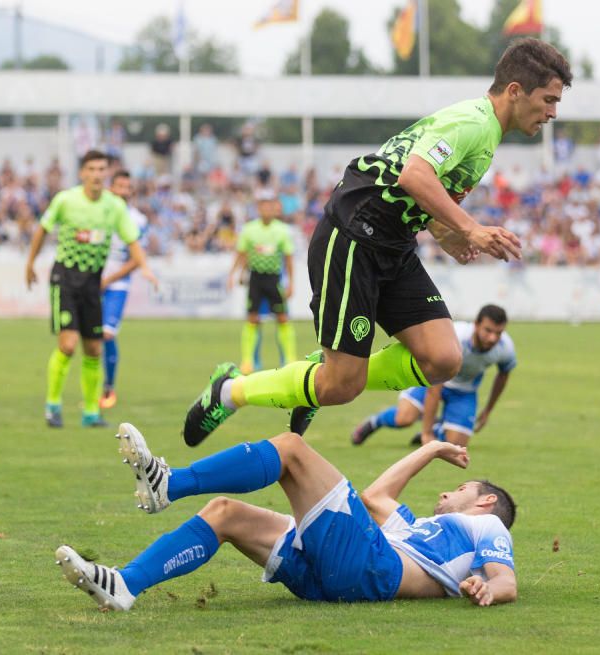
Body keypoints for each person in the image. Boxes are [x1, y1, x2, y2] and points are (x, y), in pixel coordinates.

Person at [182, 38, 571, 446]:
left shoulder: (486, 133)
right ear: (514, 91)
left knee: (443, 359)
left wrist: (447, 234)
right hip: (354, 235)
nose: (552, 113)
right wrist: (471, 228)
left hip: (393, 243)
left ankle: (324, 369)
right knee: (340, 386)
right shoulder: (472, 123)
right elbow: (414, 176)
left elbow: (419, 188)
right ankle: (230, 391)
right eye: (548, 100)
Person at [54, 422, 517, 611]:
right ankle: (125, 585)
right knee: (225, 514)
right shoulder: (422, 530)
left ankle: (168, 484)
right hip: (343, 576)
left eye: (460, 489)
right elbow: (376, 496)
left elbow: (506, 582)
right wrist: (432, 448)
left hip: (373, 569)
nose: (447, 491)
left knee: (292, 448)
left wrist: (488, 588)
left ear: (485, 502)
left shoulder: (485, 526)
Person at [25, 150, 151, 428]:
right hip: (66, 278)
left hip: (93, 282)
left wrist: (146, 268)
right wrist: (30, 263)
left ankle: (91, 413)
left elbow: (133, 242)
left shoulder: (114, 206)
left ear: (106, 173)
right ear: (82, 173)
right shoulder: (66, 200)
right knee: (68, 345)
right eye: (91, 169)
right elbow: (42, 230)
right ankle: (53, 406)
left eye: (101, 169)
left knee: (94, 348)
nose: (96, 174)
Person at [352, 304, 516, 447]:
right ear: (476, 325)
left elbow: (503, 375)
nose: (493, 338)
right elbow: (434, 390)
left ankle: (439, 428)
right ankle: (375, 422)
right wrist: (426, 433)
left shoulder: (505, 347)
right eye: (488, 330)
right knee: (405, 418)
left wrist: (487, 410)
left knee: (457, 444)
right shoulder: (455, 338)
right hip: (432, 379)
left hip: (464, 391)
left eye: (498, 333)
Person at [99, 170, 159, 409]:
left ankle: (108, 387)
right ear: (111, 188)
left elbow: (137, 258)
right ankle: (94, 391)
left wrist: (109, 278)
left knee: (107, 333)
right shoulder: (99, 212)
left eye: (127, 187)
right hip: (91, 282)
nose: (123, 191)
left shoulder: (138, 220)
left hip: (117, 284)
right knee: (90, 338)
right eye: (119, 186)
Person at [228, 190, 297, 373]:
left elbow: (288, 259)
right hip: (256, 279)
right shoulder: (249, 230)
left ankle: (288, 359)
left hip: (274, 279)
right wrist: (232, 275)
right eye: (263, 205)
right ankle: (248, 361)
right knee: (252, 319)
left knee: (282, 318)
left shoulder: (282, 231)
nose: (267, 209)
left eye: (270, 205)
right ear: (258, 208)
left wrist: (291, 283)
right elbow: (241, 255)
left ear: (275, 208)